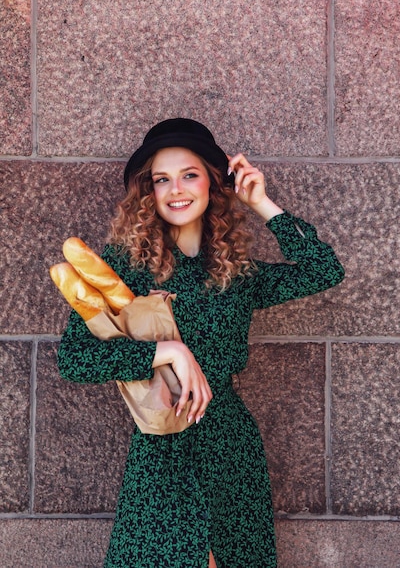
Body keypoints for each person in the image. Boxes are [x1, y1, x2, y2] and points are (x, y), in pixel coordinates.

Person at [57, 118, 345, 568]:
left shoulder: (236, 271)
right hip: (162, 447)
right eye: (161, 179)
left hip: (230, 443)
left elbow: (323, 270)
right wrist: (164, 351)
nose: (176, 189)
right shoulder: (123, 266)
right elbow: (74, 359)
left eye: (189, 174)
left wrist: (263, 203)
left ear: (213, 182)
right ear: (148, 193)